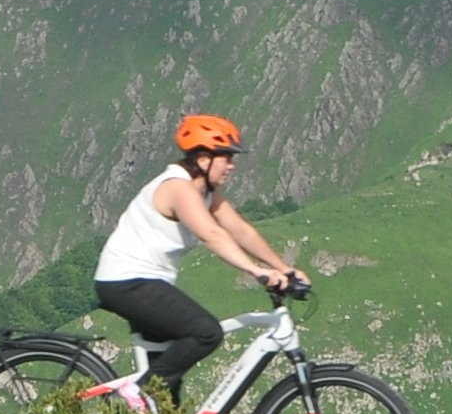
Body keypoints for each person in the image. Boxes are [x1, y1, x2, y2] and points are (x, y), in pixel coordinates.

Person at [94, 113, 310, 397]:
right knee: (206, 333)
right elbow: (213, 234)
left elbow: (240, 230)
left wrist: (283, 267)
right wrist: (257, 271)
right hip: (126, 281)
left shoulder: (205, 192)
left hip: (147, 282)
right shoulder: (178, 188)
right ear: (204, 159)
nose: (232, 165)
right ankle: (133, 394)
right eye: (226, 157)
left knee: (169, 386)